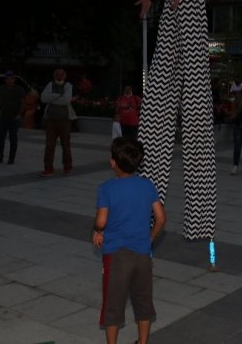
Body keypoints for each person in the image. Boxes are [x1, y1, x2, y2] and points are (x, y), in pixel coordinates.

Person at [135, 0, 217, 241]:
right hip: (173, 2)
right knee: (160, 88)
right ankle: (148, 195)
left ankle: (200, 219)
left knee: (195, 93)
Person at [92, 137, 166, 344]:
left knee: (113, 303)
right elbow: (161, 218)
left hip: (116, 256)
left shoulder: (106, 188)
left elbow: (101, 220)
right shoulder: (147, 185)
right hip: (142, 254)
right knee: (143, 300)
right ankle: (142, 342)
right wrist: (150, 237)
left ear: (113, 162)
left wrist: (97, 230)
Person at [40, 68, 73, 176]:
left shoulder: (68, 86)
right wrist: (58, 96)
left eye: (62, 74)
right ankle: (48, 168)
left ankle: (67, 167)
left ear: (65, 75)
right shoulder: (50, 84)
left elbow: (66, 100)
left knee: (66, 145)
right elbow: (43, 98)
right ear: (55, 75)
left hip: (64, 121)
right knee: (49, 146)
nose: (59, 76)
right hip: (50, 121)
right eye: (57, 74)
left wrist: (52, 98)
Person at [0, 70, 26, 165]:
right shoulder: (2, 88)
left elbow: (24, 102)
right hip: (3, 116)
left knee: (13, 138)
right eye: (7, 78)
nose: (9, 80)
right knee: (0, 138)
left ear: (14, 79)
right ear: (5, 80)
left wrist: (19, 114)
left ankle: (11, 158)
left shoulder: (19, 89)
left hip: (14, 117)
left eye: (11, 78)